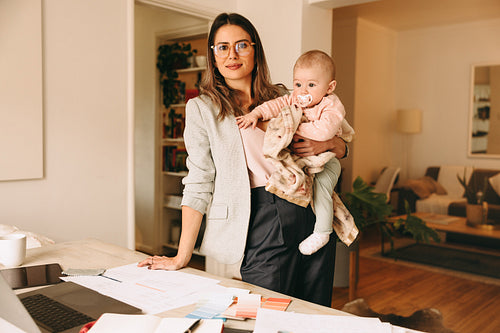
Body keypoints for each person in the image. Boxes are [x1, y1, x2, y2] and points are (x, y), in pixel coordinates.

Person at [138, 12, 348, 307]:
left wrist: (330, 144)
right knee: (267, 312)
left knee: (314, 310)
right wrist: (182, 255)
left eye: (241, 45)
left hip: (311, 210)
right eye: (222, 47)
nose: (232, 55)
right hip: (261, 215)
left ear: (254, 50)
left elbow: (339, 139)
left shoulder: (285, 96)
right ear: (212, 56)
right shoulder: (202, 109)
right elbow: (198, 181)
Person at [236, 50, 353, 256]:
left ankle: (322, 232)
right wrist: (256, 113)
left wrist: (290, 128)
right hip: (300, 170)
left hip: (327, 163)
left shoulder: (331, 105)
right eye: (298, 84)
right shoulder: (293, 99)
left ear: (330, 87)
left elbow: (324, 132)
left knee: (322, 191)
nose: (302, 91)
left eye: (311, 85)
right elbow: (275, 105)